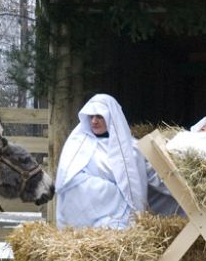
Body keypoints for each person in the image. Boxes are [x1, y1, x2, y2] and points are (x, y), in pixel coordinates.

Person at [55, 93, 179, 229]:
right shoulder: (78, 145)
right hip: (85, 222)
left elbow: (153, 174)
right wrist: (114, 193)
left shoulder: (132, 148)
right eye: (91, 116)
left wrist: (181, 189)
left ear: (110, 117)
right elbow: (68, 182)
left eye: (99, 116)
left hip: (124, 222)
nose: (94, 121)